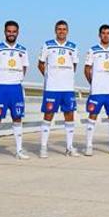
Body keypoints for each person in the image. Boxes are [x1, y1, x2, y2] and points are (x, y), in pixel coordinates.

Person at [0, 20, 29, 161]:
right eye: (9, 31)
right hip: (1, 88)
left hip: (16, 88)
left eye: (14, 31)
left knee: (17, 118)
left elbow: (24, 68)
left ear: (17, 33)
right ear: (5, 32)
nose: (11, 34)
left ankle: (19, 150)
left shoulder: (22, 50)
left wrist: (16, 79)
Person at [37, 20, 79, 158]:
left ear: (67, 31)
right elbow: (41, 64)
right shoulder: (48, 45)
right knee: (48, 116)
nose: (62, 31)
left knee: (69, 116)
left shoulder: (73, 47)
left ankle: (69, 147)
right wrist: (49, 77)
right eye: (59, 29)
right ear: (55, 31)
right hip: (52, 88)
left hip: (67, 88)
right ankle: (43, 147)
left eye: (64, 29)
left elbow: (74, 66)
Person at [84, 24, 109, 156]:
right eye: (103, 33)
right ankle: (89, 145)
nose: (106, 35)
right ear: (99, 35)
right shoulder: (93, 50)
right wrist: (93, 83)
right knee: (92, 116)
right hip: (97, 91)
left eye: (108, 33)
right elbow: (87, 69)